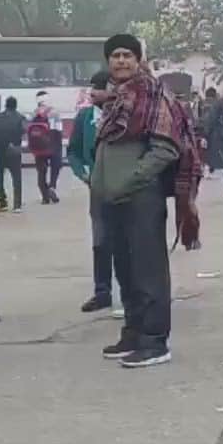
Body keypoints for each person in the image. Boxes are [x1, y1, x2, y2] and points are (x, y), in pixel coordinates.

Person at [90, 34, 197, 367]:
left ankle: (154, 341)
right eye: (115, 56)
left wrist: (133, 179)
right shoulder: (114, 100)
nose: (121, 61)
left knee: (148, 269)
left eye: (127, 55)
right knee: (125, 268)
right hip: (112, 199)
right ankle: (134, 332)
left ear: (138, 60)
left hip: (141, 197)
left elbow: (166, 147)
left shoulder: (152, 94)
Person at [68, 70, 122, 317]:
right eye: (92, 87)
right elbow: (74, 152)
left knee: (127, 242)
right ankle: (102, 292)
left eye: (99, 87)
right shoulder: (84, 117)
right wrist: (83, 174)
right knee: (101, 242)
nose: (93, 92)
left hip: (124, 188)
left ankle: (130, 295)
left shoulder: (126, 115)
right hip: (97, 190)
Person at [0, 96, 25, 213]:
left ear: (6, 105)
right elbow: (23, 131)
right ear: (15, 106)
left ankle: (3, 202)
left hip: (0, 151)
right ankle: (17, 205)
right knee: (17, 179)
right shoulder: (20, 117)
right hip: (14, 150)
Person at [28, 97, 62, 204]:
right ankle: (52, 187)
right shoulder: (55, 114)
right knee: (55, 168)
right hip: (53, 145)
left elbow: (29, 132)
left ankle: (45, 197)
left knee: (41, 172)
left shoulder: (34, 114)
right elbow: (59, 130)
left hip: (39, 148)